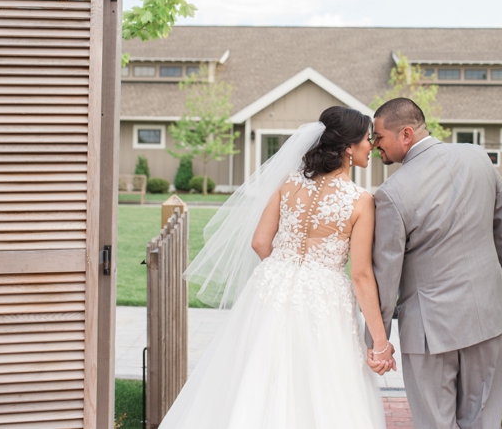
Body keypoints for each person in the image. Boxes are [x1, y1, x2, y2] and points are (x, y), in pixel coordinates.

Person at [159, 106, 392, 429]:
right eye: (367, 139)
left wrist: (284, 272)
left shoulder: (287, 184)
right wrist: (380, 344)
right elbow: (361, 275)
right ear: (349, 147)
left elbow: (259, 242)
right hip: (323, 295)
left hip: (272, 284)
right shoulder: (360, 200)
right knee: (321, 382)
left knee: (255, 372)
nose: (371, 145)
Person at [369, 98, 502, 429]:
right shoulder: (478, 157)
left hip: (429, 330)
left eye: (378, 137)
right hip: (487, 315)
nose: (374, 144)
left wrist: (378, 341)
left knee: (434, 422)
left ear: (405, 134)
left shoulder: (391, 193)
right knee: (483, 420)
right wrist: (501, 296)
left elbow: (386, 276)